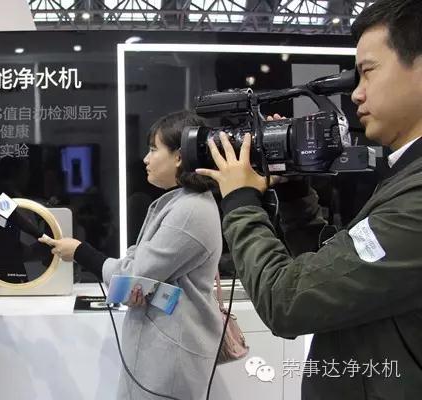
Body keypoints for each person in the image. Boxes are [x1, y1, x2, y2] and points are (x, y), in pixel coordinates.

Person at [196, 0, 422, 398]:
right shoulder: (404, 179)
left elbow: (286, 302)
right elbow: (337, 275)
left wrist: (241, 201)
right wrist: (294, 194)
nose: (356, 94)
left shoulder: (415, 200)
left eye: (368, 72)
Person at [41, 111, 225, 400]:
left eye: (153, 149)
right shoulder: (180, 203)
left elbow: (131, 274)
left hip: (170, 357)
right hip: (162, 350)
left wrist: (80, 252)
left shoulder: (191, 210)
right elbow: (139, 267)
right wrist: (136, 282)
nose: (146, 159)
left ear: (179, 156)